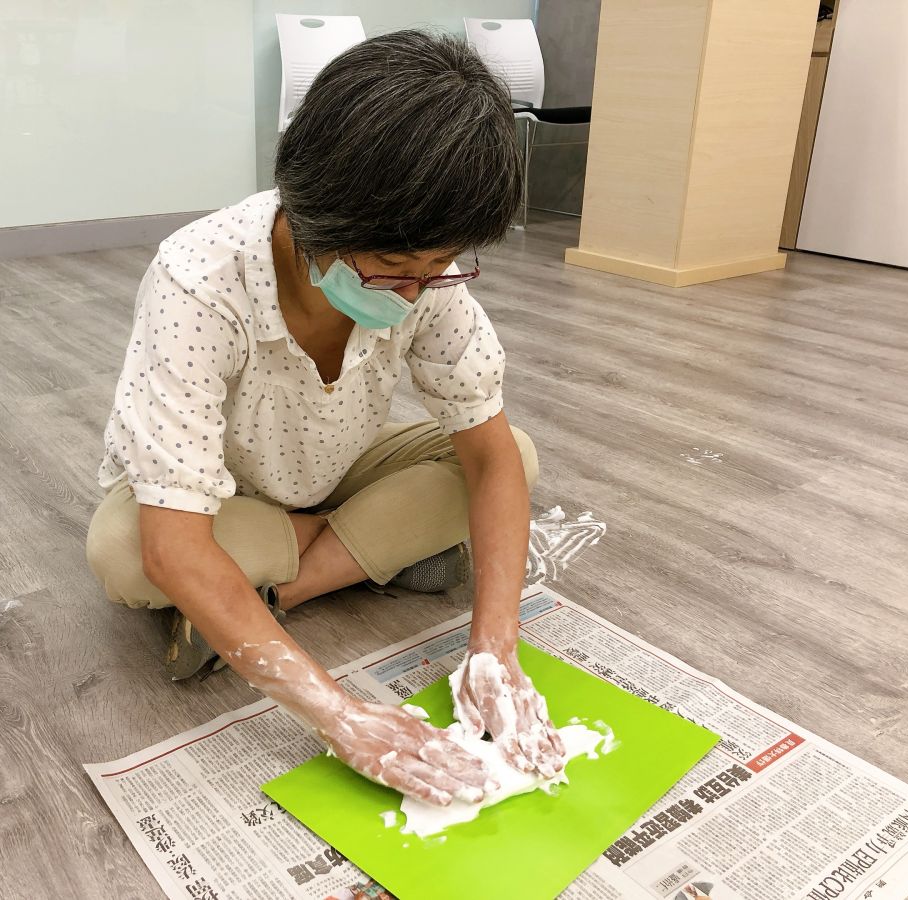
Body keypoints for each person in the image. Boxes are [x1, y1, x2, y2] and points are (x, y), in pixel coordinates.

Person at [86, 29, 565, 807]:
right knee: (126, 550)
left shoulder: (424, 276)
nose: (415, 293)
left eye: (437, 269)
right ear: (316, 214)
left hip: (336, 463)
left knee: (514, 454)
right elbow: (172, 541)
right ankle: (367, 551)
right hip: (221, 496)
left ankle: (285, 585)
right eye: (393, 271)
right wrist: (340, 716)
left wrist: (494, 649)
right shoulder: (199, 281)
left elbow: (487, 457)